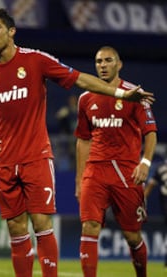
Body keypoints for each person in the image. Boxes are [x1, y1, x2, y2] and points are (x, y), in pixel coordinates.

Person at [0, 8, 154, 277]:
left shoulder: (35, 60)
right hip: (4, 161)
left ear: (11, 31)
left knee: (42, 224)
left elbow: (80, 79)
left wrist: (120, 94)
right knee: (16, 228)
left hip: (36, 157)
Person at [74, 46, 157, 277]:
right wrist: (80, 180)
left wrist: (146, 163)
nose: (102, 65)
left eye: (108, 60)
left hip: (126, 172)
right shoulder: (85, 98)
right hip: (96, 171)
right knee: (89, 226)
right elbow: (83, 139)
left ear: (119, 64)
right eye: (99, 61)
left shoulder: (134, 94)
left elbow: (150, 132)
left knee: (132, 236)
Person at [144, 157, 167, 269]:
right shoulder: (161, 168)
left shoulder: (160, 167)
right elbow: (151, 185)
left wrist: (142, 200)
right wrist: (142, 200)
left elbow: (151, 185)